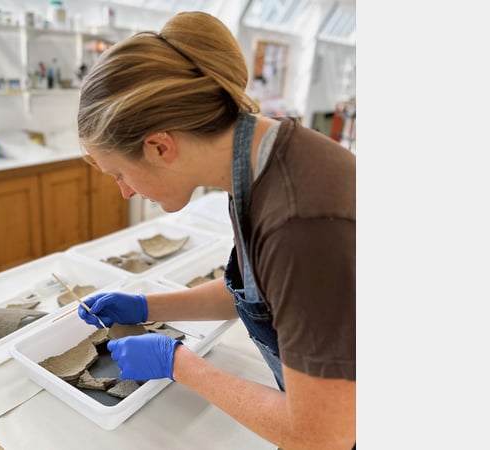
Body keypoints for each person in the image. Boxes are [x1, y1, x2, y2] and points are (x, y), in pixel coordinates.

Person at [75, 11, 355, 450]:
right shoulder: (257, 161)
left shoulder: (300, 225)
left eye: (119, 174)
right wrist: (146, 305)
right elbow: (264, 291)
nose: (125, 192)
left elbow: (322, 435)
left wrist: (179, 364)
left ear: (160, 146)